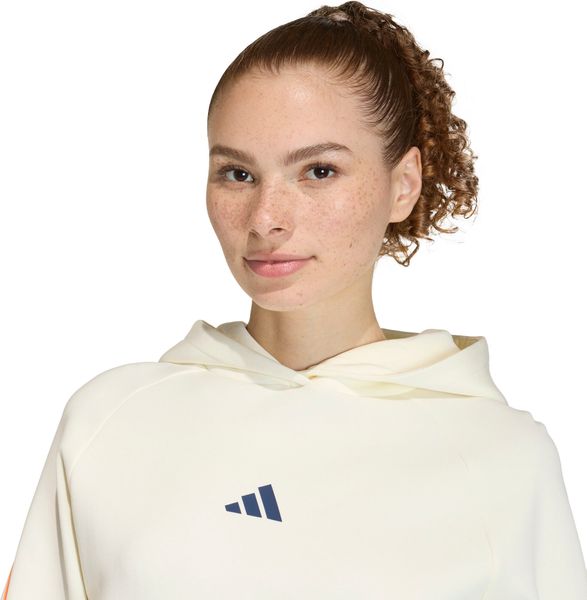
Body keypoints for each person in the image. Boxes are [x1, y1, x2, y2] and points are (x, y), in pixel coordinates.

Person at [2, 1, 586, 598]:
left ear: (403, 185)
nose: (266, 219)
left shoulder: (503, 460)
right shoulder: (110, 422)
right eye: (238, 174)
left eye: (319, 171)